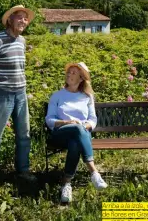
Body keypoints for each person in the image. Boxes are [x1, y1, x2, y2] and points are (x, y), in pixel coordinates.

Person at [0, 5, 35, 193]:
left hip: (21, 94)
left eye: (25, 18)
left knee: (24, 135)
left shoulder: (22, 41)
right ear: (10, 20)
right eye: (19, 18)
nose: (23, 21)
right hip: (2, 95)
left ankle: (23, 170)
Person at [45, 62, 108, 203]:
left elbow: (92, 120)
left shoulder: (87, 97)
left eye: (73, 73)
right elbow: (49, 120)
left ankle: (66, 184)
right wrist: (66, 123)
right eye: (68, 72)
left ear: (81, 79)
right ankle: (93, 172)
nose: (69, 74)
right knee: (76, 129)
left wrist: (84, 126)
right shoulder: (57, 96)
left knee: (75, 142)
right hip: (60, 133)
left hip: (80, 133)